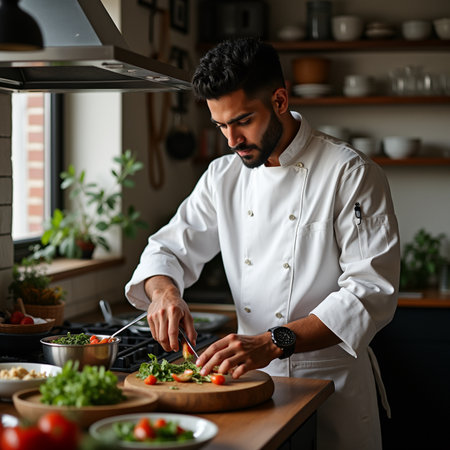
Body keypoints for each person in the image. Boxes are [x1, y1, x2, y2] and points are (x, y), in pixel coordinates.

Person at [125, 37, 400, 450]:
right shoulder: (223, 177)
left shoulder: (350, 173)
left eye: (242, 121)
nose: (231, 139)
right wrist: (165, 294)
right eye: (220, 126)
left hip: (332, 386)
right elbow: (167, 249)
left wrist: (272, 342)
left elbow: (370, 293)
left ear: (279, 99)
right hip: (250, 384)